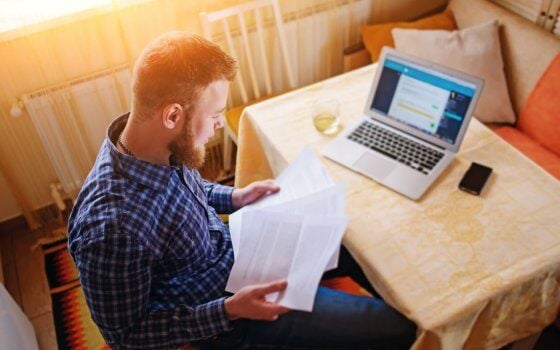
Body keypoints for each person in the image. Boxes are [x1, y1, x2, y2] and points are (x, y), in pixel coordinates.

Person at [68, 31, 416, 350]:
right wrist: (229, 310)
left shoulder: (149, 142)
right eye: (216, 114)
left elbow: (185, 193)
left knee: (349, 236)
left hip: (243, 252)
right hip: (229, 317)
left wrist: (234, 197)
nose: (220, 124)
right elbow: (125, 336)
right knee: (397, 329)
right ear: (173, 115)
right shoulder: (112, 229)